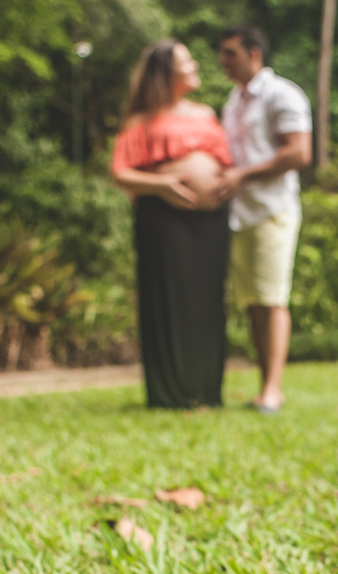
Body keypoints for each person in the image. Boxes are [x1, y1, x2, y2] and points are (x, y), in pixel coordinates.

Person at [109, 40, 233, 408]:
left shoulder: (206, 113)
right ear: (165, 71)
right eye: (186, 60)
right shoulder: (141, 120)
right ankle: (169, 393)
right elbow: (120, 173)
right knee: (169, 301)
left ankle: (206, 389)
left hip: (211, 221)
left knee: (208, 301)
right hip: (163, 219)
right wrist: (161, 184)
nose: (195, 64)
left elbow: (223, 163)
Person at [214, 25, 312, 414]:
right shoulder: (233, 101)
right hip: (240, 214)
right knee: (253, 304)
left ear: (254, 53)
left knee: (272, 301)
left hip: (273, 210)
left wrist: (242, 175)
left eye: (230, 53)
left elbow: (299, 152)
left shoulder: (282, 94)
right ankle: (262, 385)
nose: (223, 60)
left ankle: (273, 390)